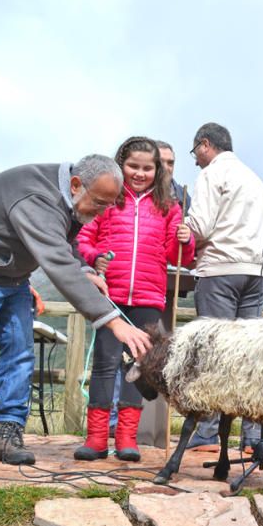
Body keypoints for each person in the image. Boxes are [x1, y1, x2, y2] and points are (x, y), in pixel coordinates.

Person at [0, 155, 152, 469]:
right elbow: (55, 261)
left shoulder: (72, 198)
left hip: (12, 275)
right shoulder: (37, 197)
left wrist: (83, 268)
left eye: (109, 205)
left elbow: (66, 242)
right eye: (100, 203)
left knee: (21, 352)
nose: (102, 212)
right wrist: (113, 321)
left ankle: (9, 435)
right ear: (77, 185)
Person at [73, 137, 195, 462]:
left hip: (148, 298)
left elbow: (176, 254)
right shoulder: (108, 200)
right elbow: (84, 238)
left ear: (158, 170)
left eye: (147, 168)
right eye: (133, 166)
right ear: (120, 165)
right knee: (104, 364)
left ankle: (127, 438)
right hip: (109, 296)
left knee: (136, 366)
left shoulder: (169, 207)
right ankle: (97, 438)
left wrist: (186, 239)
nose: (140, 173)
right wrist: (94, 255)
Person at [182, 122, 263, 452]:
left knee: (214, 353)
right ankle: (251, 435)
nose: (195, 160)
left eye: (195, 152)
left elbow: (202, 225)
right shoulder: (255, 179)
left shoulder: (211, 174)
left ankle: (209, 429)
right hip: (255, 271)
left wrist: (185, 231)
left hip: (220, 269)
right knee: (247, 356)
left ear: (205, 145)